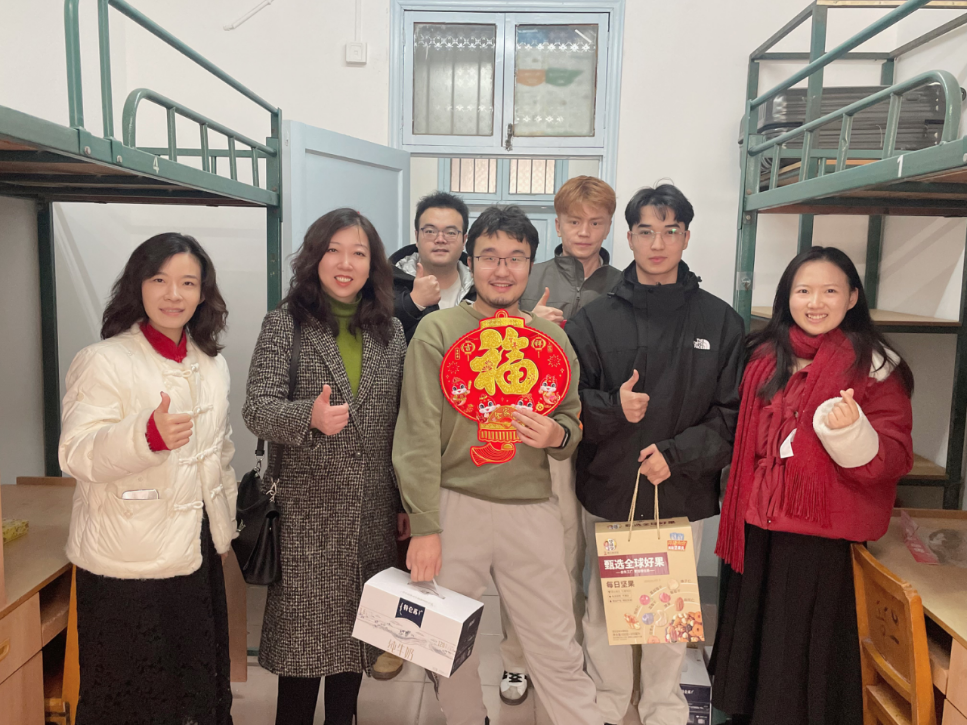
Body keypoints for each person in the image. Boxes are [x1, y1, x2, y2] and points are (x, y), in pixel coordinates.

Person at [393, 205, 603, 725]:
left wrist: (557, 435)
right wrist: (424, 525)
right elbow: (416, 434)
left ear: (532, 264)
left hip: (531, 507)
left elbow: (571, 419)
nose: (502, 270)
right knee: (445, 644)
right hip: (453, 505)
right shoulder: (438, 331)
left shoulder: (551, 340)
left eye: (516, 257)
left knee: (555, 641)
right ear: (471, 261)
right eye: (489, 256)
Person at [711, 246, 914, 725]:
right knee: (758, 656)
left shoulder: (875, 365)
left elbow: (895, 456)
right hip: (756, 529)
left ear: (852, 298)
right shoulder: (762, 356)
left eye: (830, 291)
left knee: (802, 662)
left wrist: (851, 434)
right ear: (788, 296)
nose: (815, 302)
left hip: (820, 540)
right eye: (803, 290)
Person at [565, 184, 745, 725]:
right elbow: (569, 403)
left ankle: (663, 705)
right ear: (629, 238)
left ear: (687, 237)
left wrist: (678, 454)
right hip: (611, 484)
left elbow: (733, 414)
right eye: (646, 231)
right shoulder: (595, 319)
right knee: (605, 606)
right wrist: (613, 407)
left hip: (681, 488)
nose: (658, 243)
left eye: (670, 231)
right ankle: (608, 700)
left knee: (669, 612)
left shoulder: (720, 322)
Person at [59, 233, 236, 725]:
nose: (173, 294)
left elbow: (219, 452)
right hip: (126, 558)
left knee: (195, 687)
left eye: (188, 283)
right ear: (138, 285)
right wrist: (145, 436)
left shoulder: (212, 364)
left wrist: (222, 528)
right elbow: (75, 453)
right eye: (159, 280)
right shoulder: (103, 360)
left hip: (195, 549)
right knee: (130, 692)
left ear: (202, 293)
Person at [243, 209, 408, 725]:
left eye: (359, 253)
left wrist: (404, 503)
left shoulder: (391, 331)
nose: (345, 263)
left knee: (353, 652)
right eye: (334, 250)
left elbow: (401, 425)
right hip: (305, 518)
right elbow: (256, 409)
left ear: (372, 265)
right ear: (315, 257)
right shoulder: (285, 324)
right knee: (301, 655)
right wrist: (306, 417)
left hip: (370, 514)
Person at [498, 175, 622, 705]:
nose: (584, 231)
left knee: (581, 557)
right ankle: (515, 658)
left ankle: (567, 658)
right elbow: (488, 340)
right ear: (558, 223)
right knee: (528, 556)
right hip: (537, 435)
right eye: (574, 221)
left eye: (595, 222)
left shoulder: (624, 284)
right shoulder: (531, 276)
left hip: (602, 437)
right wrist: (526, 322)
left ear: (610, 225)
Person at [391, 191, 476, 342]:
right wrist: (413, 304)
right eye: (430, 231)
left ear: (464, 240)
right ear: (417, 237)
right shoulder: (387, 282)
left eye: (451, 232)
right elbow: (375, 337)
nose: (440, 239)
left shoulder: (480, 287)